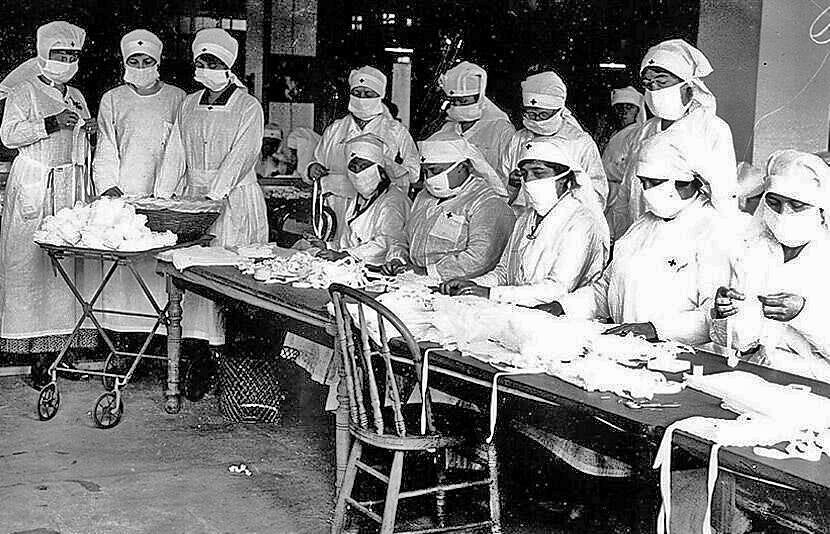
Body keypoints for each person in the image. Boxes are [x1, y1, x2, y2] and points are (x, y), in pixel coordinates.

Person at [539, 132, 730, 347]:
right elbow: (606, 288)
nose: (646, 191)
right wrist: (563, 307)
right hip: (628, 350)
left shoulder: (715, 230)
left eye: (654, 182)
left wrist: (653, 329)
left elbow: (713, 315)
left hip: (683, 359)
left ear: (684, 181)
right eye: (643, 182)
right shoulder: (643, 225)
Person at [155, 28, 267, 346]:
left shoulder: (248, 106)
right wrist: (163, 196)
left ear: (229, 67)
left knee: (228, 274)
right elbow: (176, 152)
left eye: (214, 63)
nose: (207, 68)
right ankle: (197, 348)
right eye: (202, 62)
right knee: (194, 274)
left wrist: (213, 195)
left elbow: (242, 155)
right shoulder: (189, 104)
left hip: (234, 199)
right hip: (194, 199)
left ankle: (228, 349)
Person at [0, 21, 97, 385]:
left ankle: (63, 352)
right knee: (32, 269)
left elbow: (81, 141)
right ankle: (37, 359)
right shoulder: (25, 91)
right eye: (60, 55)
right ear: (43, 56)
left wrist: (88, 131)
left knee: (66, 274)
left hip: (68, 185)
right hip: (36, 184)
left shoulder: (77, 95)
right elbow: (9, 136)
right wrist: (50, 122)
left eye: (72, 56)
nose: (67, 61)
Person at [440, 138, 610, 307]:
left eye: (538, 172)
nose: (530, 181)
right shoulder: (526, 218)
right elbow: (503, 272)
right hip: (516, 310)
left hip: (557, 320)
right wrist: (474, 285)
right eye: (525, 174)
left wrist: (491, 294)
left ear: (563, 177)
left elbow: (558, 288)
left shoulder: (582, 222)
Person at [94, 29, 186, 335]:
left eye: (147, 60)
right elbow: (106, 146)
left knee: (158, 275)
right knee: (124, 279)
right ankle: (123, 342)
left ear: (158, 62)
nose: (142, 66)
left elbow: (179, 149)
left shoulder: (177, 98)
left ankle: (159, 340)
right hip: (124, 197)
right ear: (124, 62)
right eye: (135, 60)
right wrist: (110, 190)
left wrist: (168, 193)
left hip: (163, 197)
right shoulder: (113, 99)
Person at [710, 150, 830, 383]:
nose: (784, 213)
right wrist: (723, 313)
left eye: (797, 205)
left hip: (814, 386)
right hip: (755, 375)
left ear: (821, 210)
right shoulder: (754, 251)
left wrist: (803, 314)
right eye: (774, 203)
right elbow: (734, 340)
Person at [605, 39, 737, 240]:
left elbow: (724, 196)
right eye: (648, 84)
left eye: (662, 81)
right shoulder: (644, 131)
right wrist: (619, 233)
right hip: (639, 232)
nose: (654, 88)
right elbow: (627, 188)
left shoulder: (712, 129)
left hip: (686, 238)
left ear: (687, 86)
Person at [382, 133, 515, 281]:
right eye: (425, 171)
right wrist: (397, 258)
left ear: (463, 167)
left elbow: (480, 258)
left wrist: (426, 272)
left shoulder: (488, 203)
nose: (429, 178)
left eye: (435, 170)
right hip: (413, 280)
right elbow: (406, 237)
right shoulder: (424, 196)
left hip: (456, 287)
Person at [307, 66, 419, 241]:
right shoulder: (336, 129)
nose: (362, 99)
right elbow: (317, 161)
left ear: (380, 96)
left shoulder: (394, 130)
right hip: (337, 204)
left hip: (376, 208)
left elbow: (413, 171)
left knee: (369, 250)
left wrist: (386, 170)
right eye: (357, 93)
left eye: (368, 94)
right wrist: (312, 168)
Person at [499, 71, 608, 208]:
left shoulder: (579, 142)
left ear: (558, 111)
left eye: (543, 114)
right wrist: (512, 185)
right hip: (521, 218)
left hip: (564, 221)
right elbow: (500, 187)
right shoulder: (518, 139)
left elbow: (597, 193)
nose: (536, 119)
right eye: (531, 114)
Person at [299, 133, 410, 265]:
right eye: (353, 167)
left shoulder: (393, 201)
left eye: (363, 166)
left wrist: (345, 255)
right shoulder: (359, 199)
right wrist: (327, 246)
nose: (358, 173)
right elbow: (349, 242)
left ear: (380, 169)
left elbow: (388, 242)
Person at [429, 61, 513, 194]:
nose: (457, 106)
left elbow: (509, 173)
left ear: (478, 98)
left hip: (491, 198)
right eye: (453, 101)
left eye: (463, 101)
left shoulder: (501, 129)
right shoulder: (448, 129)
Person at [602, 86, 644, 231]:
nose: (624, 112)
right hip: (608, 192)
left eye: (629, 107)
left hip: (622, 193)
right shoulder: (615, 133)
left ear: (637, 111)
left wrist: (606, 170)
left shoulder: (638, 134)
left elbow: (631, 169)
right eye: (620, 108)